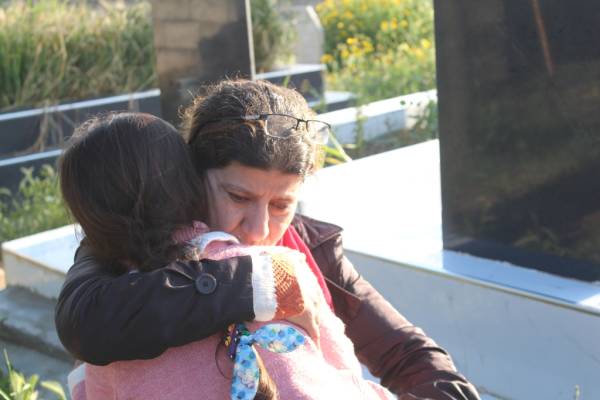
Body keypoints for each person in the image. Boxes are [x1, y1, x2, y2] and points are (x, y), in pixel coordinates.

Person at [55, 79, 480, 399]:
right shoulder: (131, 243)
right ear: (191, 176)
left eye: (281, 204)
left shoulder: (310, 248)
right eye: (238, 197)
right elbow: (85, 323)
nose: (259, 228)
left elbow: (407, 353)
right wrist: (267, 280)